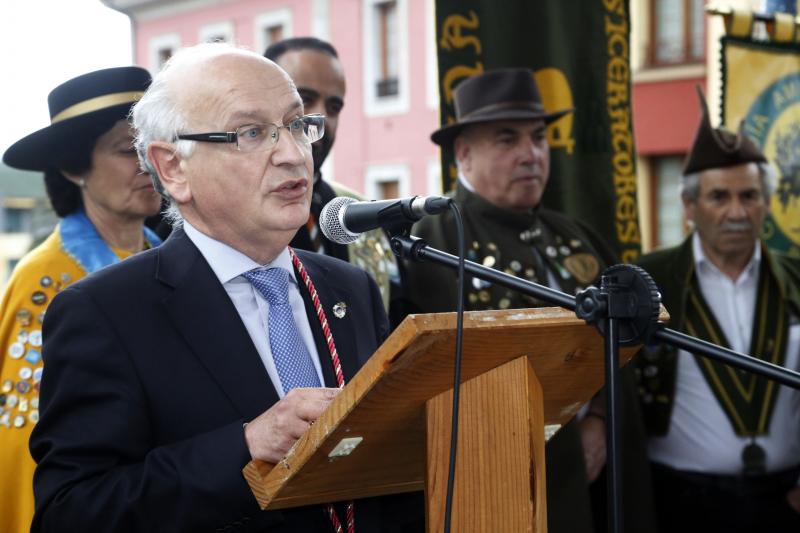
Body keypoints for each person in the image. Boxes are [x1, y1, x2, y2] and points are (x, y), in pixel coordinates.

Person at [29, 43, 423, 533]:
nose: (294, 153)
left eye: (298, 125)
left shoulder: (350, 289)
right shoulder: (103, 312)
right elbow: (72, 512)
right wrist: (245, 447)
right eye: (251, 132)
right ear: (173, 168)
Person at [403, 68, 655, 533]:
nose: (531, 155)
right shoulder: (431, 245)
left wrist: (599, 416)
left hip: (600, 477)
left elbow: (626, 345)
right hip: (504, 482)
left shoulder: (576, 236)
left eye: (539, 138)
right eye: (507, 140)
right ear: (463, 153)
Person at [0, 66, 162, 533]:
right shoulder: (47, 281)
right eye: (126, 149)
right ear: (74, 167)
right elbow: (23, 440)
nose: (148, 160)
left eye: (153, 142)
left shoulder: (164, 259)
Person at [636, 90, 800, 533]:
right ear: (689, 207)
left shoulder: (796, 278)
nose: (736, 212)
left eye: (749, 195)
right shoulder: (646, 280)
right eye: (718, 197)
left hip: (786, 502)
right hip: (680, 504)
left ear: (767, 202)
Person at [265, 37, 399, 318]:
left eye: (334, 107)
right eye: (305, 100)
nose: (321, 117)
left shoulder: (356, 213)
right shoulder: (232, 211)